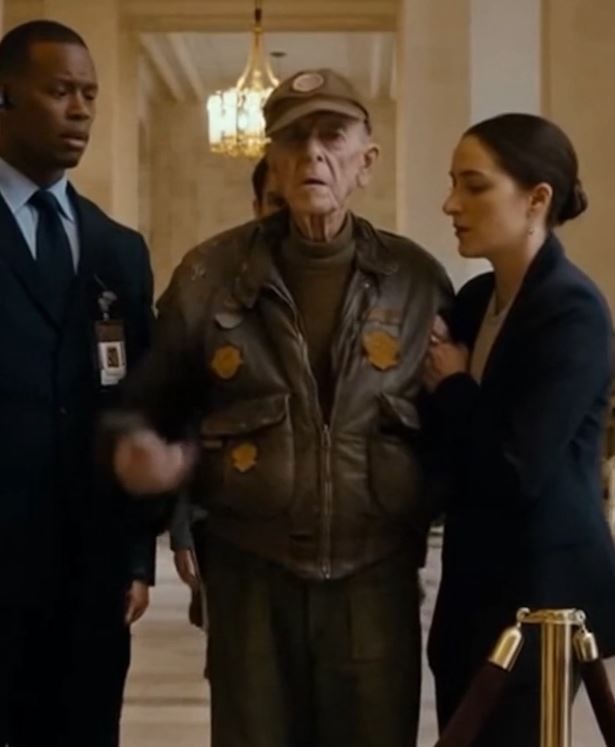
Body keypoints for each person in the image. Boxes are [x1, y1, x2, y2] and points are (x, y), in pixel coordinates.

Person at [113, 68, 452, 747]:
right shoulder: (210, 276)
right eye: (294, 139)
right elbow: (151, 406)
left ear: (366, 161)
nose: (312, 154)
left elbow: (452, 430)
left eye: (331, 136)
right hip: (249, 579)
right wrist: (147, 460)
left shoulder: (415, 282)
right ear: (272, 158)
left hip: (373, 581)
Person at [424, 112, 615, 746]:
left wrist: (454, 386)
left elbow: (516, 467)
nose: (452, 204)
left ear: (537, 199)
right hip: (472, 590)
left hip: (543, 596)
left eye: (474, 185)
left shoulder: (573, 310)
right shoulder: (475, 299)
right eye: (453, 182)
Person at [0, 20, 159, 747]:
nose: (80, 110)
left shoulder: (116, 249)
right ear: (6, 96)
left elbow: (138, 405)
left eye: (89, 94)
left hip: (89, 572)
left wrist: (136, 555)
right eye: (60, 91)